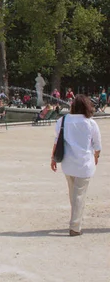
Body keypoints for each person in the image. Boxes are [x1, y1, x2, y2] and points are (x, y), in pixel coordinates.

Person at [50, 94, 102, 236]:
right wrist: (96, 157)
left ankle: (76, 220)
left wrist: (53, 158)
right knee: (79, 195)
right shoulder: (90, 123)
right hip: (84, 163)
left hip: (68, 162)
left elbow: (57, 140)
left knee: (73, 194)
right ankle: (75, 226)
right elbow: (97, 145)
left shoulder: (63, 120)